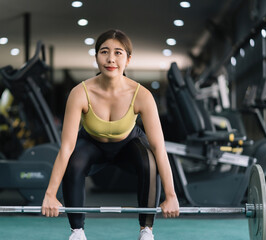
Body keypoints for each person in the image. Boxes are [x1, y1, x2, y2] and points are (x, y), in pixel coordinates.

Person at [42, 29, 180, 240]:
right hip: (91, 144)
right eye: (104, 52)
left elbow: (160, 148)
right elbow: (66, 147)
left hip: (129, 144)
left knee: (149, 161)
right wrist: (50, 194)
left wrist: (171, 196)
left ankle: (146, 230)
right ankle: (77, 231)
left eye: (118, 53)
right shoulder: (80, 93)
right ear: (96, 56)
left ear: (128, 59)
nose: (111, 59)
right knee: (74, 162)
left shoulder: (142, 95)